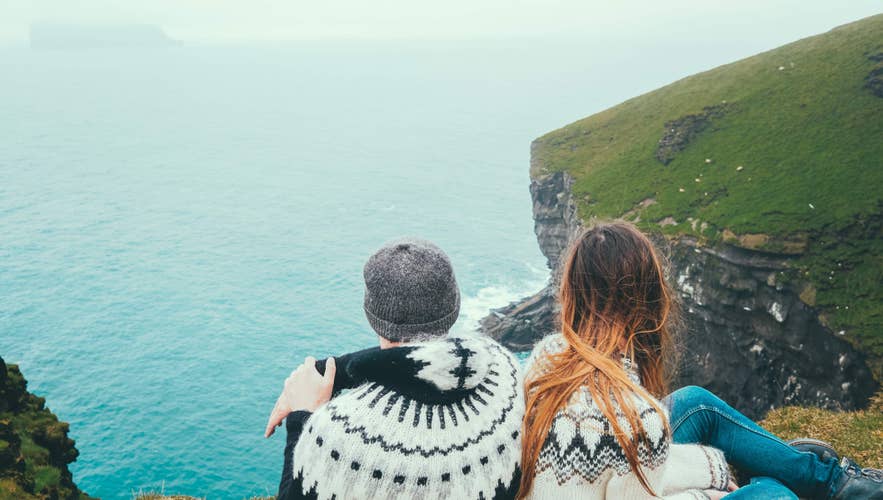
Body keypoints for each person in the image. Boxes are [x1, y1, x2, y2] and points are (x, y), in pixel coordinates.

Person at [518, 221, 882, 499]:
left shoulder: (543, 358)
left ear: (571, 292)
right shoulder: (636, 417)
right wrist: (709, 485)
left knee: (695, 404)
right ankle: (799, 476)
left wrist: (704, 467)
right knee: (773, 493)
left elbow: (616, 468)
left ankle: (836, 484)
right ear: (647, 302)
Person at [265, 238, 524, 500]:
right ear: (454, 305)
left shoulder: (343, 436)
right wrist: (335, 371)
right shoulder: (505, 371)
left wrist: (303, 417)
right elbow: (424, 361)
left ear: (371, 313)